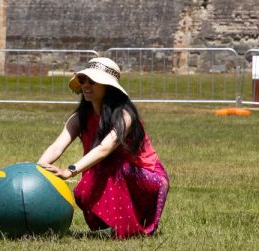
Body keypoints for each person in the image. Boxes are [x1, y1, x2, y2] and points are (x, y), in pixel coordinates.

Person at [37, 57, 169, 239]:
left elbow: (104, 149)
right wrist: (37, 170)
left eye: (93, 81)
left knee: (113, 166)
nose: (86, 85)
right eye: (83, 80)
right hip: (113, 172)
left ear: (109, 87)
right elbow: (56, 147)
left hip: (149, 179)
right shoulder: (79, 118)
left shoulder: (125, 115)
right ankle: (118, 226)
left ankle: (128, 229)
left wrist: (70, 170)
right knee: (87, 186)